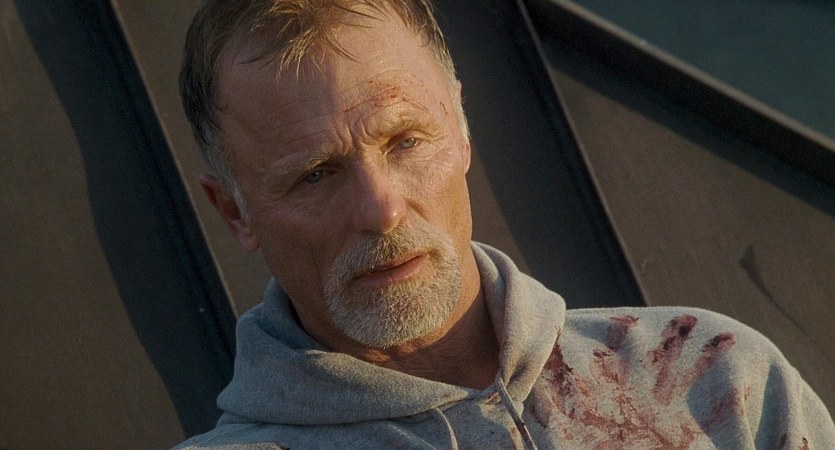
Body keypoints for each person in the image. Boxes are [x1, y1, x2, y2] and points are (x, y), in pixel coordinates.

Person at [175, 1, 834, 448]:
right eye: (316, 174)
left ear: (460, 130)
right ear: (234, 212)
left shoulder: (714, 378)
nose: (381, 210)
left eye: (405, 141)